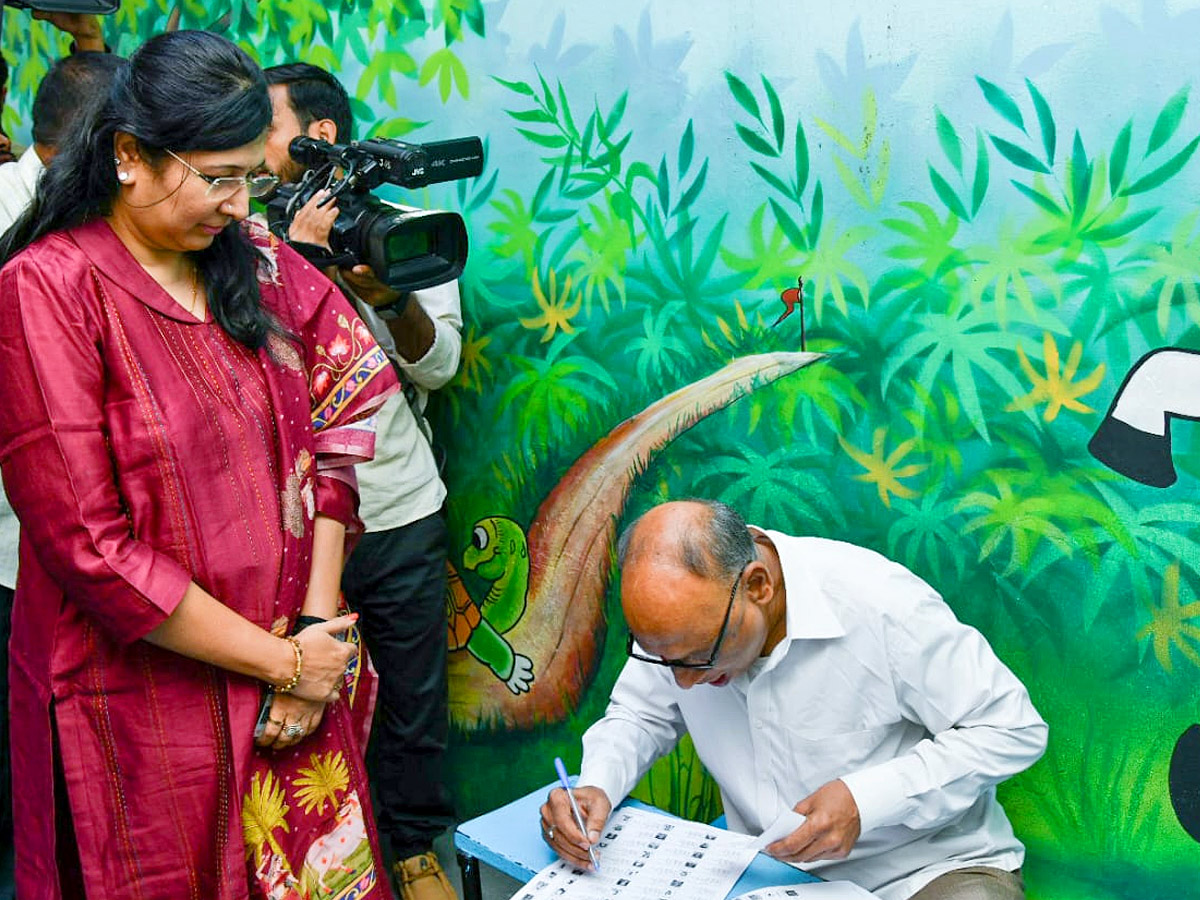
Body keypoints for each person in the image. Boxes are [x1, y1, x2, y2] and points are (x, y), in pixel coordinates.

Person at [0, 30, 401, 899]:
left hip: (298, 684)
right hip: (144, 704)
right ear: (130, 158)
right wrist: (279, 663)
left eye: (249, 178)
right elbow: (89, 545)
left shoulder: (258, 267)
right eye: (217, 177)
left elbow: (336, 431)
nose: (237, 203)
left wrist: (317, 637)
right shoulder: (50, 288)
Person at [540, 499, 1048, 900]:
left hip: (923, 869)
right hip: (765, 873)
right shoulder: (685, 633)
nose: (684, 683)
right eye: (662, 660)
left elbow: (1013, 728)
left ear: (758, 585)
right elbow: (638, 713)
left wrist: (866, 799)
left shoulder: (882, 604)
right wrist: (597, 785)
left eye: (699, 658)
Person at [262, 62, 464, 900]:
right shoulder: (240, 236)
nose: (243, 145)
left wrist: (384, 295)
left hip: (400, 505)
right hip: (297, 527)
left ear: (320, 141)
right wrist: (298, 267)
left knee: (415, 697)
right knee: (312, 692)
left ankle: (415, 853)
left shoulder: (408, 229)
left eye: (259, 126)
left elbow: (441, 366)